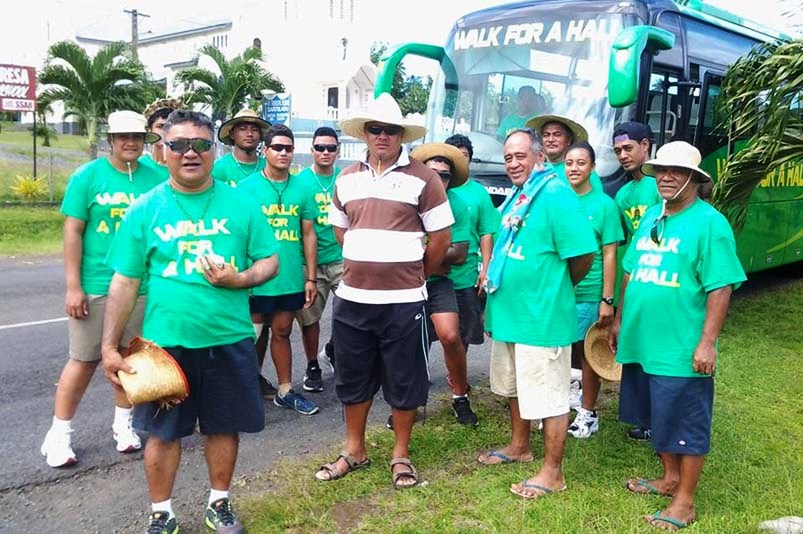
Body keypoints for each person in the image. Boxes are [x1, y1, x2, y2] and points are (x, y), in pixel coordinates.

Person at [100, 109, 279, 534]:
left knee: (223, 426)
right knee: (162, 433)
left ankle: (220, 503)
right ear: (163, 152)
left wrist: (241, 278)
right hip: (166, 347)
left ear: (214, 151)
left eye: (200, 144)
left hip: (229, 338)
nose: (190, 153)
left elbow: (270, 260)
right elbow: (125, 280)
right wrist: (109, 347)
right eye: (179, 144)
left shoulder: (242, 203)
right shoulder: (145, 209)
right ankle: (161, 511)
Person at [314, 93, 452, 488]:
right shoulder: (347, 178)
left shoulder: (424, 178)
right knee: (352, 377)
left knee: (404, 378)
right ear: (365, 134)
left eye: (391, 130)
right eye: (376, 129)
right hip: (353, 297)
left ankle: (400, 454)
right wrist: (367, 260)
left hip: (404, 300)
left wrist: (414, 274)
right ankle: (354, 450)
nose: (383, 136)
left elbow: (440, 238)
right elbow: (342, 231)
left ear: (401, 135)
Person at [610, 141, 745, 529]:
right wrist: (620, 318)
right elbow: (632, 270)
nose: (666, 177)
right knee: (657, 415)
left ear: (693, 179)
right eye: (661, 171)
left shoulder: (710, 224)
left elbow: (721, 287)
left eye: (676, 172)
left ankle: (685, 503)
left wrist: (706, 342)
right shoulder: (653, 216)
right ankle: (669, 478)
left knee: (686, 423)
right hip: (643, 341)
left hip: (680, 347)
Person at [40, 111, 163, 468]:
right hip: (96, 285)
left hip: (141, 286)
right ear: (110, 140)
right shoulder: (88, 177)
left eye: (137, 136)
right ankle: (59, 433)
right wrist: (72, 286)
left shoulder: (156, 178)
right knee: (83, 360)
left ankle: (123, 424)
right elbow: (73, 232)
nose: (130, 142)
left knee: (128, 358)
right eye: (123, 136)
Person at [479, 128, 596, 500]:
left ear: (539, 157)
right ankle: (519, 446)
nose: (513, 163)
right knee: (516, 388)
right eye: (508, 157)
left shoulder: (557, 195)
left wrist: (554, 288)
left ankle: (552, 472)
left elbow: (582, 255)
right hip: (511, 315)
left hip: (541, 318)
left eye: (520, 156)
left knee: (549, 397)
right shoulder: (519, 195)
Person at [239, 124, 319, 416]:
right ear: (265, 150)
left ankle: (285, 390)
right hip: (256, 277)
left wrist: (310, 277)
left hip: (289, 277)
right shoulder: (246, 188)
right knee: (252, 335)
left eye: (288, 148)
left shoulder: (303, 188)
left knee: (283, 331)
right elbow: (239, 234)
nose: (283, 153)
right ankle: (245, 390)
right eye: (277, 147)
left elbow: (309, 234)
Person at [410, 142, 478, 426]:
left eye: (446, 175)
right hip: (407, 283)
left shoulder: (457, 204)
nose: (439, 179)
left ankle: (460, 396)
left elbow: (459, 254)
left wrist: (419, 251)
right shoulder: (408, 197)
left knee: (451, 336)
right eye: (433, 172)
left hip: (439, 282)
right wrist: (439, 251)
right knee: (412, 343)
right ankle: (408, 404)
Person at [562, 142, 623, 439]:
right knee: (559, 349)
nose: (574, 168)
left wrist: (607, 300)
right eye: (569, 163)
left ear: (593, 168)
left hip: (590, 291)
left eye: (581, 163)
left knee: (588, 353)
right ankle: (561, 405)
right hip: (559, 292)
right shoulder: (558, 200)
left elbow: (610, 254)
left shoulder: (604, 205)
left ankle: (588, 413)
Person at [611, 121, 661, 441]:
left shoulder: (662, 185)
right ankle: (644, 419)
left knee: (658, 351)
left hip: (661, 279)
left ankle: (662, 418)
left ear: (646, 146)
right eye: (617, 151)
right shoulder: (623, 195)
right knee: (636, 351)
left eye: (628, 148)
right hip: (633, 277)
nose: (623, 156)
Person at [294, 126, 342, 392]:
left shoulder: (345, 179)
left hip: (341, 258)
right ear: (312, 150)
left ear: (337, 151)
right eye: (320, 147)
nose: (326, 152)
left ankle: (333, 350)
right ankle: (313, 365)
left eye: (331, 148)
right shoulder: (300, 182)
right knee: (309, 319)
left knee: (352, 312)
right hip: (308, 261)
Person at [444, 134, 500, 355]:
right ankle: (424, 369)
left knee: (463, 330)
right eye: (454, 156)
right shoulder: (435, 186)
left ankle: (456, 374)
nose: (460, 160)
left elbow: (487, 232)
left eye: (464, 156)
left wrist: (485, 269)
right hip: (434, 271)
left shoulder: (479, 193)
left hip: (466, 272)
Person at [525, 114, 603, 191]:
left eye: (557, 135)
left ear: (569, 140)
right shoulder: (536, 169)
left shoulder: (584, 171)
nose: (550, 139)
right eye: (546, 135)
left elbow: (596, 200)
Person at [213, 109, 270, 187]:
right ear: (231, 134)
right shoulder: (218, 168)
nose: (250, 134)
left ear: (260, 135)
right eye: (243, 129)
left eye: (254, 129)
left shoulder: (269, 167)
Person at [140, 98, 186, 180]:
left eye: (171, 126)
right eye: (160, 126)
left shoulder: (189, 166)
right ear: (149, 130)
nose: (166, 131)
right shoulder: (140, 165)